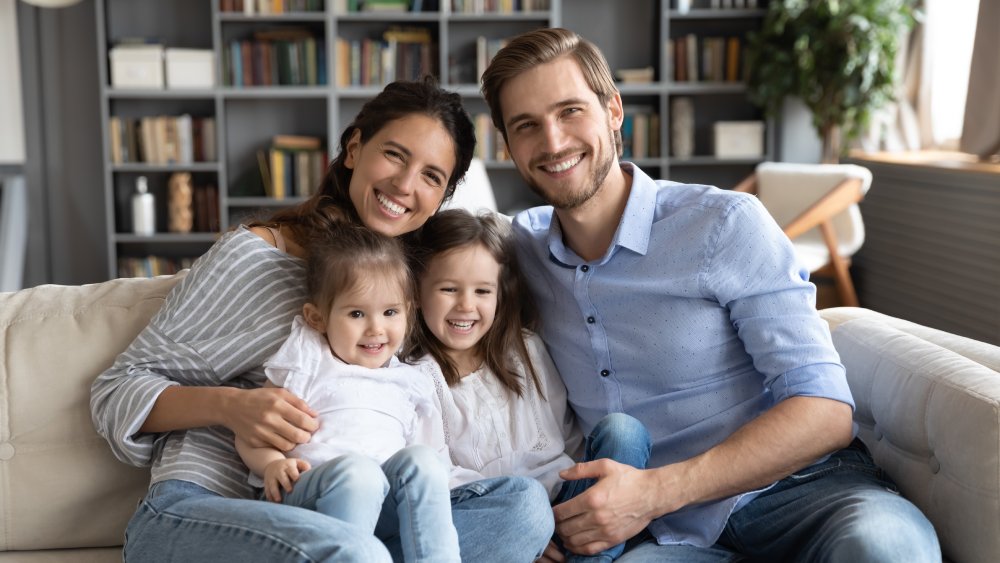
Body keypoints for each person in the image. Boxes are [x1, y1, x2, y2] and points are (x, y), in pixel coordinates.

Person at [480, 28, 941, 563]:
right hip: (663, 536)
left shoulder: (722, 226)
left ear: (613, 110)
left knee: (887, 547)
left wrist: (653, 492)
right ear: (507, 146)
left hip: (801, 493)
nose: (554, 142)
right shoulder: (514, 253)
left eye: (570, 112)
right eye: (527, 126)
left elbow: (825, 410)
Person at [90, 78, 552, 563]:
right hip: (208, 506)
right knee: (354, 551)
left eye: (432, 176)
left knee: (524, 510)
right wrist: (231, 407)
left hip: (352, 508)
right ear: (354, 148)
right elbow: (116, 390)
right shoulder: (257, 257)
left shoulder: (415, 285)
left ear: (442, 197)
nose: (405, 184)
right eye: (394, 155)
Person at [404, 208, 652, 563]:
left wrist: (574, 512)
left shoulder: (525, 350)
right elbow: (439, 480)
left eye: (482, 291)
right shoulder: (418, 377)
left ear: (500, 295)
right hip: (504, 513)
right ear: (417, 290)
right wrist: (530, 532)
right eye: (448, 289)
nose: (466, 305)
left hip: (566, 505)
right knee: (526, 503)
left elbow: (567, 437)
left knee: (624, 431)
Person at [236, 223, 463, 563]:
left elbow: (428, 467)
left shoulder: (410, 381)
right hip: (310, 495)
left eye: (390, 312)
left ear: (408, 311)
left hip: (384, 506)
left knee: (424, 462)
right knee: (360, 473)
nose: (376, 328)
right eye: (357, 313)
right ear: (317, 318)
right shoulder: (308, 358)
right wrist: (272, 465)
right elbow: (251, 430)